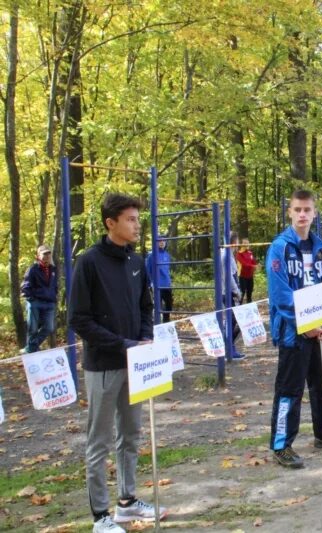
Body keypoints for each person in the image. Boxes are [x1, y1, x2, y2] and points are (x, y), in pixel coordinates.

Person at [68, 193, 165, 533]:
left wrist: (144, 338)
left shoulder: (136, 261)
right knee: (100, 440)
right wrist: (122, 344)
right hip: (104, 365)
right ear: (111, 223)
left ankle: (127, 502)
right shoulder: (89, 262)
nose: (138, 225)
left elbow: (145, 307)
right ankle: (99, 516)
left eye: (138, 219)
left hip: (136, 364)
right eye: (131, 219)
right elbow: (78, 319)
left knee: (131, 433)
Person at [267, 190, 322, 469]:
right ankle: (282, 444)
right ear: (290, 212)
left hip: (320, 332)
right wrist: (304, 325)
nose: (302, 214)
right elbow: (280, 295)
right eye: (297, 209)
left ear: (315, 213)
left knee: (321, 384)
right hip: (294, 334)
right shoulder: (280, 248)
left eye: (307, 210)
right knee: (289, 389)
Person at [21, 245, 58, 353]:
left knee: (49, 328)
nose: (47, 256)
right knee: (32, 328)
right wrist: (30, 298)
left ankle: (30, 348)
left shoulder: (53, 269)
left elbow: (54, 285)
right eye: (44, 254)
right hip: (35, 302)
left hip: (49, 303)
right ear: (38, 256)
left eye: (48, 253)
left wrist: (54, 296)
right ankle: (32, 351)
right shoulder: (33, 269)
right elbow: (26, 285)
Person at [223, 232, 245, 359]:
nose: (238, 245)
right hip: (229, 293)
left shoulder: (229, 255)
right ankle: (229, 349)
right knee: (233, 321)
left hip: (229, 292)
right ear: (234, 242)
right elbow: (229, 277)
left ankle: (229, 348)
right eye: (237, 242)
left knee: (232, 321)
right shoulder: (226, 256)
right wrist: (237, 291)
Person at [145, 236, 172, 322]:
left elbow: (167, 270)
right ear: (156, 242)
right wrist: (149, 284)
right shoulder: (151, 255)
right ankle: (157, 324)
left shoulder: (167, 255)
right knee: (157, 307)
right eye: (159, 241)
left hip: (167, 284)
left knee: (169, 305)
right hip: (156, 285)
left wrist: (169, 281)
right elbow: (147, 270)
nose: (162, 242)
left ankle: (166, 323)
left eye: (164, 241)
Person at [236, 238, 259, 303]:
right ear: (242, 244)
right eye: (245, 243)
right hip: (242, 276)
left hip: (250, 276)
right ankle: (238, 306)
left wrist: (256, 266)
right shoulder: (239, 253)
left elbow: (253, 261)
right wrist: (253, 266)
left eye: (247, 243)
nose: (247, 244)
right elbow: (244, 264)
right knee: (242, 292)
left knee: (250, 291)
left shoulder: (250, 253)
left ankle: (249, 305)